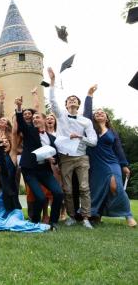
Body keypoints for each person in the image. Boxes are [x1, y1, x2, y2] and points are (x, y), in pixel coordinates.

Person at [48, 67, 97, 229]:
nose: (72, 100)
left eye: (75, 99)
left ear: (78, 104)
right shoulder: (61, 115)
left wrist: (80, 137)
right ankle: (70, 216)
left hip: (82, 157)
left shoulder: (86, 121)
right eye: (69, 99)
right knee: (67, 189)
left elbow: (93, 141)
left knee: (84, 187)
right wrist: (53, 81)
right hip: (66, 157)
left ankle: (86, 218)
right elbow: (53, 101)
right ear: (66, 104)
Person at [83, 86, 136, 227]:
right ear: (94, 117)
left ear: (107, 117)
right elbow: (86, 113)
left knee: (115, 186)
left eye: (102, 112)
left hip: (112, 163)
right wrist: (89, 95)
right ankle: (97, 213)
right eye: (97, 112)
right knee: (99, 189)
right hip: (96, 164)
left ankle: (128, 215)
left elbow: (118, 149)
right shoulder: (91, 129)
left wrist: (124, 165)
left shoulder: (112, 132)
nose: (99, 113)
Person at [0, 133, 50, 232]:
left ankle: (44, 227)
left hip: (14, 212)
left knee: (13, 224)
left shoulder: (5, 180)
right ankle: (7, 226)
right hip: (0, 215)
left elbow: (2, 162)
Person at [15, 96, 63, 228]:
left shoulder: (52, 138)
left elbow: (56, 154)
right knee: (40, 197)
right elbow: (21, 121)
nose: (34, 119)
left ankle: (53, 222)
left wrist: (54, 160)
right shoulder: (29, 131)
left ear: (44, 119)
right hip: (30, 169)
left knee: (58, 193)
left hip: (44, 170)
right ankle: (35, 221)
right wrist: (19, 108)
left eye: (37, 117)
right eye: (33, 118)